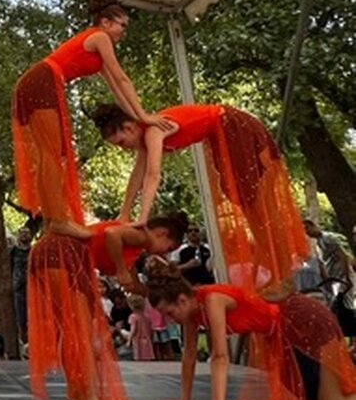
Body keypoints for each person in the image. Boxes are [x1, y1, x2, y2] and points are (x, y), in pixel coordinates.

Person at [91, 103, 308, 288]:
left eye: (121, 143)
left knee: (258, 208)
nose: (123, 149)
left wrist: (143, 217)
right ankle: (279, 272)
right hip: (224, 133)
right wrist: (124, 213)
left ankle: (284, 275)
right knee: (249, 205)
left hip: (232, 130)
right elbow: (136, 178)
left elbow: (152, 174)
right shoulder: (146, 139)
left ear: (129, 127)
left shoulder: (153, 131)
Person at [12, 0, 172, 237]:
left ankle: (53, 217)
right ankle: (56, 217)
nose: (123, 32)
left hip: (40, 81)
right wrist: (146, 116)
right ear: (106, 22)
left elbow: (117, 89)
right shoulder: (99, 37)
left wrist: (137, 116)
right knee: (51, 154)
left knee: (50, 154)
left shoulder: (97, 50)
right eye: (122, 25)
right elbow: (122, 78)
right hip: (44, 81)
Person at [146, 260, 356, 400]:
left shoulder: (212, 300)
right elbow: (189, 355)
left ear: (182, 300)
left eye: (170, 312)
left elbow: (220, 355)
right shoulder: (191, 312)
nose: (170, 319)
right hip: (283, 333)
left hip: (306, 319)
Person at [26, 224, 152, 400]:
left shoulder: (134, 248)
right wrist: (90, 235)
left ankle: (77, 392)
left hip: (62, 255)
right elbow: (108, 234)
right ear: (162, 234)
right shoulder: (139, 237)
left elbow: (132, 283)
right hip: (62, 254)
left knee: (70, 329)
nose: (165, 252)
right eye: (170, 247)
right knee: (79, 331)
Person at [10, 227, 33, 342]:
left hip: (32, 287)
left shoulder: (34, 250)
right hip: (18, 287)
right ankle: (23, 340)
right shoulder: (14, 251)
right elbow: (9, 267)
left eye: (26, 233)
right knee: (21, 317)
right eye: (22, 233)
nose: (24, 235)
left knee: (32, 316)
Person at [127, 294, 156, 362]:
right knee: (147, 356)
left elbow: (133, 329)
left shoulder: (133, 317)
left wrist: (129, 339)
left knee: (138, 356)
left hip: (138, 339)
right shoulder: (147, 316)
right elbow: (151, 329)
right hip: (147, 339)